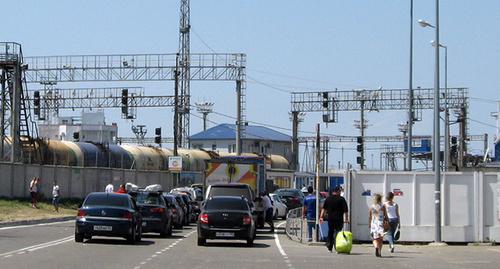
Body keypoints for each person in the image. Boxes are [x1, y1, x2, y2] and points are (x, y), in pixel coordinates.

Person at [319, 186, 349, 253]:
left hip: (330, 218)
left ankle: (329, 246)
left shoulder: (328, 199)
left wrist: (321, 216)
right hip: (339, 218)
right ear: (338, 191)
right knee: (338, 232)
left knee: (330, 232)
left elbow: (324, 209)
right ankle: (337, 246)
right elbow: (345, 210)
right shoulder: (341, 199)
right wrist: (346, 218)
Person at [369, 193, 388, 257]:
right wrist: (387, 221)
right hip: (380, 223)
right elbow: (385, 215)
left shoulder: (372, 207)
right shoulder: (383, 207)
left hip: (374, 223)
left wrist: (369, 223)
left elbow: (370, 216)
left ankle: (376, 247)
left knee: (375, 238)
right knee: (380, 239)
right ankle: (379, 251)